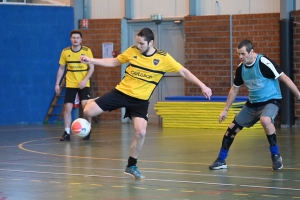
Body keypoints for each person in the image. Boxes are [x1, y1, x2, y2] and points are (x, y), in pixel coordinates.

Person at [80, 27, 212, 179]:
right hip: (121, 93)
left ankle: (131, 166)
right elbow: (115, 61)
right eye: (137, 43)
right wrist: (91, 60)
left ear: (151, 42)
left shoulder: (164, 58)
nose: (138, 46)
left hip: (140, 101)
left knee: (141, 132)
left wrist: (202, 85)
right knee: (88, 112)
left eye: (141, 44)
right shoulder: (132, 51)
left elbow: (183, 71)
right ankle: (97, 101)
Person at [209, 39, 300, 171]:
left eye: (243, 54)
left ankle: (276, 156)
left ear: (251, 52)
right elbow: (234, 89)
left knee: (265, 120)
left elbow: (284, 77)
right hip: (252, 104)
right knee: (231, 129)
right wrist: (225, 110)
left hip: (271, 100)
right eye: (238, 54)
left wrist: (298, 95)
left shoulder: (263, 63)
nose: (240, 57)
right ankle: (221, 160)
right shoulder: (241, 69)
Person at [55, 30, 95, 141]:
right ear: (70, 39)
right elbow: (61, 68)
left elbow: (92, 68)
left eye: (77, 38)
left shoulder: (87, 51)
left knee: (86, 108)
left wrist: (85, 80)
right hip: (71, 83)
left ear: (81, 40)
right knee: (67, 107)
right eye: (73, 37)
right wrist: (57, 83)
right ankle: (67, 133)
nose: (75, 39)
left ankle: (88, 130)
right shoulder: (65, 52)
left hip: (83, 84)